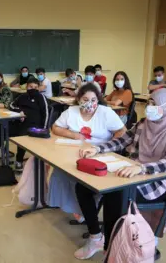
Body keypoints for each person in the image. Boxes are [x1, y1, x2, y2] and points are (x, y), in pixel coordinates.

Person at [75, 88, 166, 260]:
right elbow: (122, 141)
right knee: (83, 186)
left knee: (114, 193)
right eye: (149, 102)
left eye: (154, 104)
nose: (149, 107)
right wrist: (97, 149)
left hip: (155, 180)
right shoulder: (143, 124)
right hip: (131, 170)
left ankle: (110, 250)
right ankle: (96, 237)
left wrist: (142, 168)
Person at [48, 84, 126, 223]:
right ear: (78, 99)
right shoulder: (71, 111)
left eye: (93, 99)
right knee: (61, 171)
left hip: (99, 153)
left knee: (81, 178)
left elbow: (122, 131)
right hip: (75, 150)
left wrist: (108, 146)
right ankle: (75, 207)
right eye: (85, 99)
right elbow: (55, 127)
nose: (89, 103)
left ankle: (84, 210)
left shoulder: (105, 112)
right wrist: (74, 135)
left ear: (98, 100)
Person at [0, 78, 49, 170]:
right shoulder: (22, 96)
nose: (33, 89)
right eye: (30, 87)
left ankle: (19, 161)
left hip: (33, 127)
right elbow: (11, 106)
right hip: (19, 122)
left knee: (22, 135)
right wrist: (19, 111)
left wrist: (43, 130)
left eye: (35, 87)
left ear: (38, 88)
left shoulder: (41, 97)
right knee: (2, 132)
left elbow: (46, 113)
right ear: (26, 87)